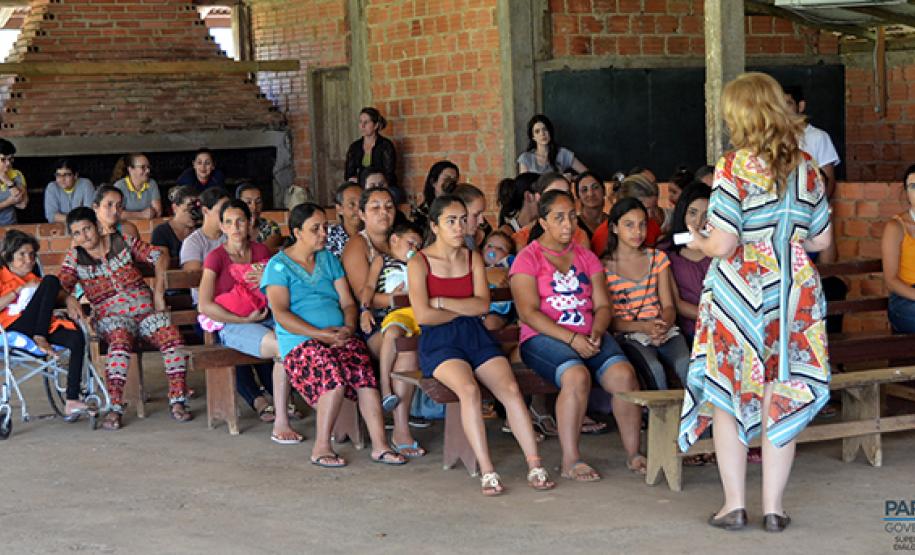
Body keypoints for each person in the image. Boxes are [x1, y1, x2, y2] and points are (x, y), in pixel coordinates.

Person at [678, 72, 833, 532]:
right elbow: (821, 237)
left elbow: (725, 244)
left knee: (730, 393)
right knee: (780, 393)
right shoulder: (807, 165)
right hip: (794, 292)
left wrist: (703, 240)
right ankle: (774, 508)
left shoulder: (733, 166)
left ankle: (733, 505)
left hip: (743, 291)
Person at [408, 194, 555, 495]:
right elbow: (424, 315)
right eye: (451, 221)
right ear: (434, 226)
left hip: (475, 336)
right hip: (439, 342)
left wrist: (442, 301)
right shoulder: (419, 262)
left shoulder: (472, 258)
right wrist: (461, 306)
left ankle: (535, 464)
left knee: (511, 389)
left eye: (463, 220)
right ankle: (487, 470)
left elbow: (482, 306)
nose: (459, 227)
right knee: (469, 390)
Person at [511, 190, 646, 480]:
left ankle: (634, 454)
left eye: (572, 216)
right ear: (543, 222)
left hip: (589, 333)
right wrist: (572, 340)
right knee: (576, 376)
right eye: (558, 218)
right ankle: (571, 460)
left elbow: (602, 305)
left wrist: (597, 332)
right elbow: (528, 313)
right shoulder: (528, 258)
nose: (568, 224)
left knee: (624, 375)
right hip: (542, 338)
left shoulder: (586, 257)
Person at [262, 202, 408, 468]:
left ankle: (380, 446)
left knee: (364, 375)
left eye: (325, 228)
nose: (323, 234)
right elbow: (281, 314)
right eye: (315, 229)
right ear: (297, 232)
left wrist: (348, 328)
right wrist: (319, 334)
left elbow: (348, 303)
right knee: (333, 377)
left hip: (338, 336)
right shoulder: (278, 266)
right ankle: (321, 447)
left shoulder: (328, 259)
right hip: (300, 342)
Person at [60, 208, 192, 430]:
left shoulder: (122, 241)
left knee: (173, 338)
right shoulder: (75, 257)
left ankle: (178, 400)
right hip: (112, 319)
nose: (85, 237)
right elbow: (60, 285)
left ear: (98, 227)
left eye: (87, 229)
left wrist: (158, 292)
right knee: (119, 344)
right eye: (77, 233)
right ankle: (115, 407)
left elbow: (159, 256)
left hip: (146, 312)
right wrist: (70, 299)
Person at [197, 200, 300, 438]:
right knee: (281, 346)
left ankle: (290, 404)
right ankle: (282, 421)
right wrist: (242, 320)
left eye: (240, 221)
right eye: (229, 222)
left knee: (301, 338)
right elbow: (205, 305)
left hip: (266, 317)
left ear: (250, 222)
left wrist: (269, 278)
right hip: (233, 324)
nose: (235, 227)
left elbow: (278, 292)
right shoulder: (216, 258)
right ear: (222, 226)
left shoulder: (261, 251)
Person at [342, 187, 424, 452]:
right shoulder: (358, 245)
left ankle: (401, 430)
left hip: (409, 315)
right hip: (372, 321)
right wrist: (398, 300)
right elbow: (361, 295)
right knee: (403, 347)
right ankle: (398, 420)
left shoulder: (403, 240)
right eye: (375, 207)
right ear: (362, 214)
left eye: (388, 206)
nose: (384, 212)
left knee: (409, 350)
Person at [602, 197, 690, 391]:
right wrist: (644, 327)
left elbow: (668, 306)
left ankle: (696, 419)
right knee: (654, 369)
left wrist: (663, 325)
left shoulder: (657, 258)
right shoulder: (604, 267)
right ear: (614, 228)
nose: (638, 232)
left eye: (642, 225)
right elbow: (610, 320)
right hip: (631, 334)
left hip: (663, 329)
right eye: (629, 225)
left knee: (686, 364)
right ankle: (659, 419)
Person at [0, 230, 87, 419]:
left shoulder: (34, 279)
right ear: (9, 257)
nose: (28, 260)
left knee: (75, 337)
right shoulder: (2, 276)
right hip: (13, 326)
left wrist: (69, 298)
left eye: (31, 255)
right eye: (22, 255)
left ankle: (72, 400)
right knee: (51, 280)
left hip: (40, 325)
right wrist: (18, 290)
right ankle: (39, 337)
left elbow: (52, 296)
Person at [358, 221, 423, 420]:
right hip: (384, 320)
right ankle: (385, 387)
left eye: (418, 246)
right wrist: (365, 308)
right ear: (395, 239)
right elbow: (368, 287)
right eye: (411, 243)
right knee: (394, 334)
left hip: (412, 317)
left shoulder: (418, 265)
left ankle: (405, 415)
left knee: (406, 345)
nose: (414, 249)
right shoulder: (382, 260)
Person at [665, 182, 712, 343]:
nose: (698, 222)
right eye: (693, 213)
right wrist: (710, 316)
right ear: (682, 212)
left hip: (723, 324)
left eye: (706, 215)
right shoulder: (667, 252)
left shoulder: (720, 248)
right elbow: (675, 303)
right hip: (691, 329)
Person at [784, 85, 840, 199]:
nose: (782, 110)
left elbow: (829, 181)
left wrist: (819, 210)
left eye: (788, 104)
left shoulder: (819, 137)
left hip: (809, 209)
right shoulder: (771, 138)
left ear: (800, 106)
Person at [512, 173, 589, 250]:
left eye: (566, 194)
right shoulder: (521, 238)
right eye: (553, 194)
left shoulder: (579, 235)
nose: (561, 199)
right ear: (538, 197)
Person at [590, 173, 662, 254]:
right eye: (646, 209)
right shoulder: (602, 236)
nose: (650, 215)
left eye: (654, 207)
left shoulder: (652, 225)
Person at [882, 163, 915, 333]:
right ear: (906, 192)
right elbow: (891, 281)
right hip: (906, 298)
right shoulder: (896, 227)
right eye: (913, 187)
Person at [344, 107, 397, 193]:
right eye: (360, 122)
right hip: (361, 186)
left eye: (366, 122)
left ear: (375, 125)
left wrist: (375, 183)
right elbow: (349, 174)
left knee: (393, 194)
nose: (362, 126)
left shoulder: (386, 145)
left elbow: (389, 174)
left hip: (382, 186)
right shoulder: (354, 147)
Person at [180, 187, 230, 272]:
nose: (226, 216)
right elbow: (193, 277)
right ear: (205, 211)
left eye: (228, 211)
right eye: (221, 211)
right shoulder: (193, 242)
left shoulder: (231, 236)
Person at [517, 114, 587, 175]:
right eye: (537, 131)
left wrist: (570, 179)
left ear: (550, 131)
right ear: (533, 137)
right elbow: (523, 186)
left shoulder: (562, 153)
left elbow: (587, 174)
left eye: (545, 129)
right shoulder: (526, 158)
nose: (542, 134)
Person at [151, 186, 200, 259]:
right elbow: (160, 267)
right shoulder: (161, 232)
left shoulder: (201, 229)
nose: (194, 213)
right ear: (175, 208)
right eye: (189, 207)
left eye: (197, 208)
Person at [481, 230, 516, 331]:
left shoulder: (507, 262)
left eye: (500, 248)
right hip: (477, 308)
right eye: (489, 246)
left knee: (491, 323)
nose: (494, 249)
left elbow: (517, 269)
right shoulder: (477, 264)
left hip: (497, 311)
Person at [111, 153, 162, 219]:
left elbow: (158, 212)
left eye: (148, 167)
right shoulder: (119, 186)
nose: (148, 171)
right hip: (124, 227)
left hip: (147, 226)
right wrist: (142, 215)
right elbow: (115, 213)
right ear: (130, 169)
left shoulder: (152, 183)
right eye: (143, 167)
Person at [44, 159, 95, 223]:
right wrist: (76, 218)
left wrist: (63, 217)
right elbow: (51, 216)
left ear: (75, 175)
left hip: (83, 227)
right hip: (60, 230)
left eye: (66, 175)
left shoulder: (86, 184)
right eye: (58, 175)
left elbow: (89, 214)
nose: (62, 179)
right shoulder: (52, 187)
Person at [236, 183, 283, 252]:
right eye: (248, 202)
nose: (254, 207)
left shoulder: (271, 227)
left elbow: (262, 253)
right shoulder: (231, 227)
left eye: (258, 202)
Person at [413, 160, 459, 229]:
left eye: (454, 180)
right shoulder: (422, 213)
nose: (451, 184)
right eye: (446, 179)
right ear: (433, 182)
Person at [326, 182, 363, 258]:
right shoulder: (327, 235)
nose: (358, 209)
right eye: (352, 204)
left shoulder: (375, 235)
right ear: (339, 209)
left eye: (362, 203)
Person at [0, 138, 27, 225]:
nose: (8, 163)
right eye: (3, 159)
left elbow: (23, 204)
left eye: (10, 159)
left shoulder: (16, 174)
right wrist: (8, 202)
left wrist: (7, 181)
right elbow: (15, 200)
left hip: (10, 226)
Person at [574, 172, 608, 239]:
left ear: (604, 191)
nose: (590, 194)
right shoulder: (574, 224)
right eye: (584, 190)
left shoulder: (613, 222)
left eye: (595, 187)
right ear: (578, 197)